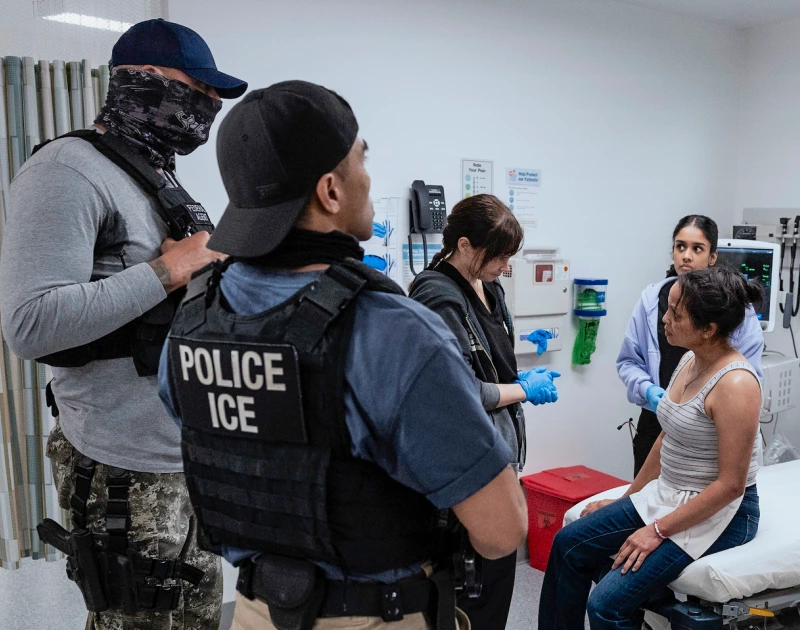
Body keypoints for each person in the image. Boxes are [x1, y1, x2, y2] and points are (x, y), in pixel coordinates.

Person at [156, 80, 528, 630]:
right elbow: (501, 532)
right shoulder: (394, 332)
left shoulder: (194, 319)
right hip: (377, 615)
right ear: (330, 191)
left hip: (258, 612)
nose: (369, 178)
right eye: (362, 160)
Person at [0, 18, 246, 628]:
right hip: (123, 470)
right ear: (144, 79)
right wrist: (167, 270)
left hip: (183, 458)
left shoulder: (152, 173)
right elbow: (30, 324)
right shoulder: (67, 170)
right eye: (198, 88)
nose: (208, 105)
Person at [540, 266, 764, 630]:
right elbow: (666, 436)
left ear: (708, 329)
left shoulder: (736, 385)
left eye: (676, 314)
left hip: (723, 512)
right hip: (670, 493)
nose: (665, 320)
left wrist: (656, 530)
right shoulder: (690, 360)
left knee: (606, 605)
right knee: (568, 545)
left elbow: (731, 486)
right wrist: (628, 498)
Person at [408, 193, 560, 630]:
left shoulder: (489, 285)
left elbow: (489, 363)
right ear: (464, 245)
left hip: (497, 456)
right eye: (498, 256)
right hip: (464, 461)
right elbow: (456, 392)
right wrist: (523, 390)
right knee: (469, 594)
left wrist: (521, 372)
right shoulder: (437, 295)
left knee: (497, 583)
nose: (505, 266)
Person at [617, 215, 765, 476]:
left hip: (708, 427)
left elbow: (747, 376)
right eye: (680, 246)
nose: (686, 256)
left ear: (712, 257)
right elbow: (629, 361)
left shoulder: (734, 310)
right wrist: (647, 390)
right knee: (645, 495)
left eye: (697, 248)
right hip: (657, 418)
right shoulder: (652, 301)